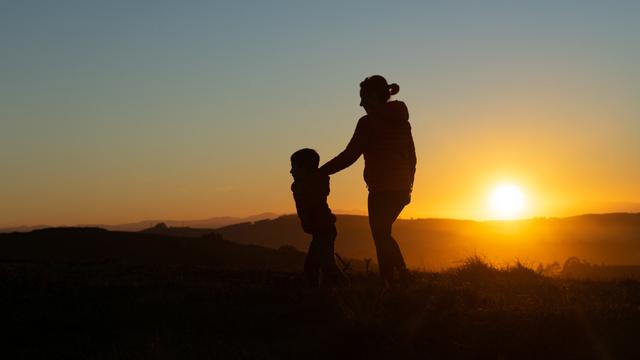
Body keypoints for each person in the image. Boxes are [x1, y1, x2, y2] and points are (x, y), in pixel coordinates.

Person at [320, 75, 416, 284]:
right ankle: (402, 275)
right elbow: (412, 157)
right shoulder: (402, 122)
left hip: (381, 190)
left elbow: (350, 155)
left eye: (363, 97)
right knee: (384, 232)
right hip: (400, 189)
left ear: (373, 96)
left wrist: (321, 172)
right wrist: (409, 187)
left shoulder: (368, 123)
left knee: (380, 235)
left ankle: (388, 283)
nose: (361, 103)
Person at [290, 148, 346, 287]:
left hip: (324, 231)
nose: (291, 171)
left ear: (304, 168)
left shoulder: (311, 185)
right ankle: (318, 292)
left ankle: (344, 286)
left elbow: (312, 198)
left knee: (325, 265)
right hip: (321, 231)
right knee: (313, 266)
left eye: (294, 167)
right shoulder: (309, 184)